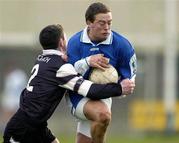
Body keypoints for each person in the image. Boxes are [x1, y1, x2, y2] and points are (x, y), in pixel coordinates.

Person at [3, 24, 135, 143]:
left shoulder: (41, 59)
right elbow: (90, 90)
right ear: (61, 42)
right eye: (65, 38)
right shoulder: (61, 67)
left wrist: (86, 61)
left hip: (35, 124)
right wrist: (119, 88)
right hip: (23, 130)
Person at [67, 2, 137, 143]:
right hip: (78, 95)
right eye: (101, 23)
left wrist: (126, 85)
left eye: (109, 23)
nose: (107, 28)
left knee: (98, 121)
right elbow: (68, 76)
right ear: (89, 23)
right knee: (103, 115)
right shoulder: (74, 43)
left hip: (104, 95)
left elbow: (128, 80)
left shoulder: (122, 45)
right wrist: (87, 61)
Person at [0, 66, 27, 131]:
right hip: (17, 99)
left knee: (8, 115)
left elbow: (11, 90)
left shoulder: (13, 76)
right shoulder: (20, 75)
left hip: (14, 99)